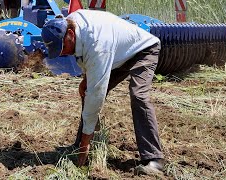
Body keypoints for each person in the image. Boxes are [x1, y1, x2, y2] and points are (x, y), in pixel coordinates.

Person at [41, 9, 164, 175]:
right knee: (87, 91)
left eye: (63, 47)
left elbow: (96, 95)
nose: (62, 52)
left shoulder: (97, 43)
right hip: (116, 56)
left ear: (70, 34)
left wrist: (86, 145)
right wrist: (86, 82)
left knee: (138, 95)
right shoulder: (71, 24)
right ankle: (79, 145)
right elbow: (87, 63)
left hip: (143, 51)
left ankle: (154, 159)